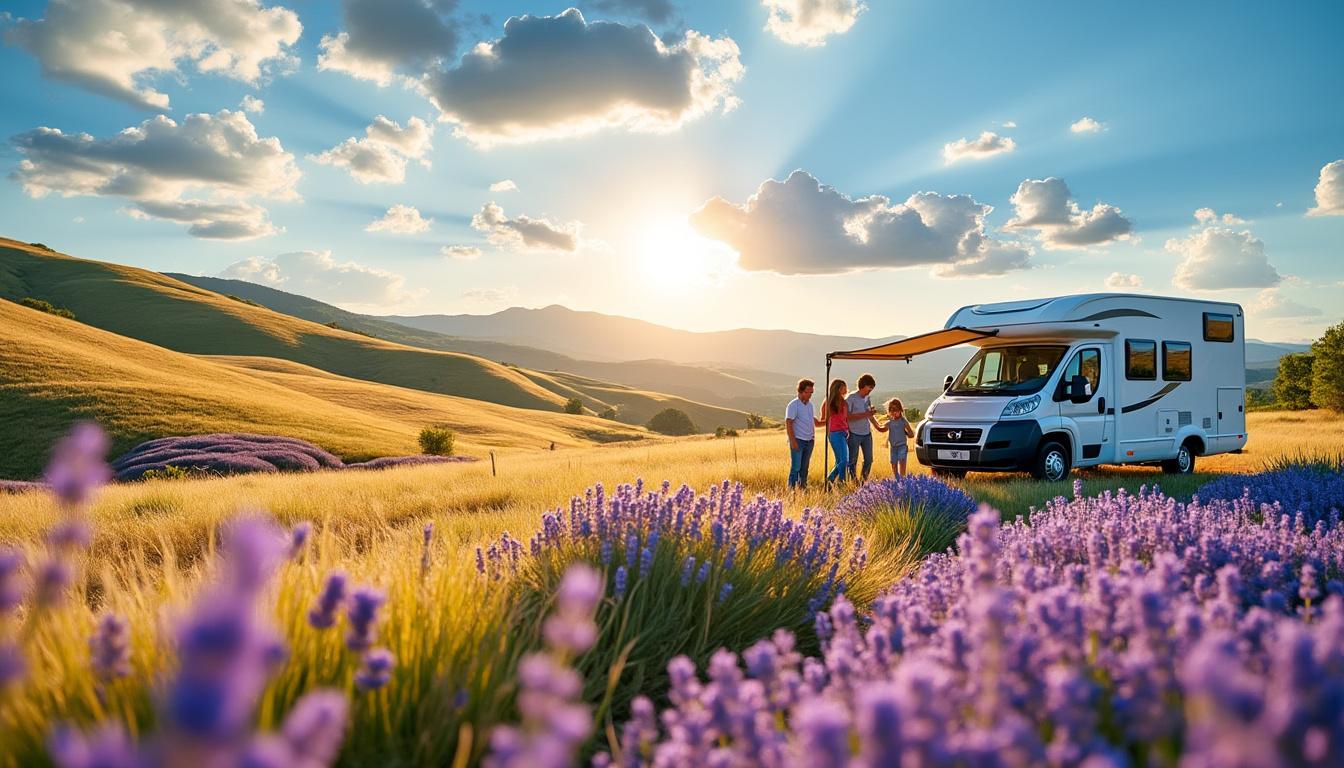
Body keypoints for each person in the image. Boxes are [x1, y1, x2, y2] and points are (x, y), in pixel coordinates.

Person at [785, 379, 825, 489]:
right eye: (808, 392)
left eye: (812, 392)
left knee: (804, 468)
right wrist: (793, 441)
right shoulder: (793, 405)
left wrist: (828, 421)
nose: (810, 394)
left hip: (810, 441)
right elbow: (788, 423)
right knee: (796, 467)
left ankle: (802, 488)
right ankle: (791, 490)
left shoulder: (810, 405)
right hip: (798, 440)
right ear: (801, 391)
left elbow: (813, 421)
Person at [845, 373, 880, 482]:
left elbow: (869, 414)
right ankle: (852, 481)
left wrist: (877, 426)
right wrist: (865, 414)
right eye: (869, 389)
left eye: (871, 389)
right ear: (863, 386)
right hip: (854, 433)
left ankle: (863, 482)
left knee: (869, 460)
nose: (870, 391)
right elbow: (847, 417)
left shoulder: (867, 398)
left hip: (866, 434)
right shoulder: (851, 398)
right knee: (852, 460)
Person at [875, 397, 916, 477]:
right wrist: (873, 421)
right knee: (893, 463)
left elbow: (912, 434)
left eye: (896, 410)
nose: (894, 412)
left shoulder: (903, 421)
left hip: (902, 446)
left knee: (902, 461)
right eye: (891, 410)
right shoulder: (889, 423)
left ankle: (902, 478)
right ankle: (897, 479)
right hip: (893, 447)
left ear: (900, 410)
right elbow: (881, 429)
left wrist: (906, 433)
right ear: (889, 411)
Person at [822, 379, 850, 487]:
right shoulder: (829, 403)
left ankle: (830, 482)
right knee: (844, 460)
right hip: (835, 434)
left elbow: (846, 418)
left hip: (844, 433)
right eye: (843, 387)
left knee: (840, 461)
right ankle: (839, 482)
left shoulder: (844, 402)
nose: (846, 389)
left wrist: (848, 430)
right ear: (838, 388)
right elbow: (825, 419)